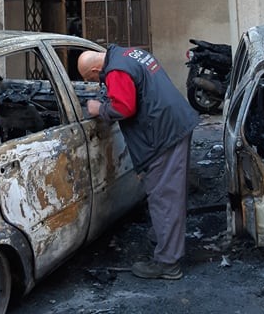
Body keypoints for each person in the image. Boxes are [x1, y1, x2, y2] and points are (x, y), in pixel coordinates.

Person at [77, 45, 199, 280]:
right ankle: (165, 237)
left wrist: (99, 108)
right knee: (171, 192)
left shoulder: (115, 71)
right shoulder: (128, 53)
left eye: (91, 78)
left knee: (163, 196)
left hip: (162, 134)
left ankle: (167, 263)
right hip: (174, 122)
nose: (95, 81)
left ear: (94, 69)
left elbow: (124, 107)